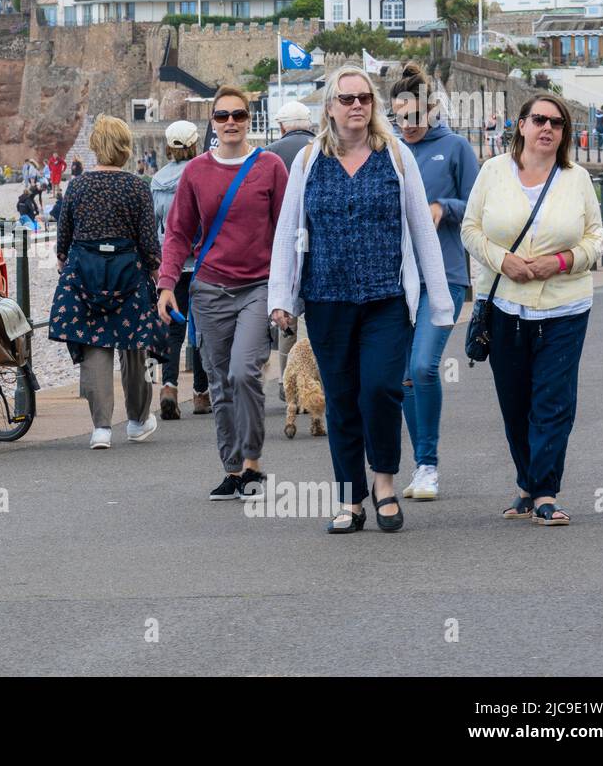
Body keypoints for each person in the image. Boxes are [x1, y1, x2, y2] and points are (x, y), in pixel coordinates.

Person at [269, 65, 453, 534]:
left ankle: (384, 483)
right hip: (326, 298)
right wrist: (280, 297)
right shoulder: (309, 160)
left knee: (380, 390)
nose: (356, 106)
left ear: (373, 106)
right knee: (342, 398)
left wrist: (441, 303)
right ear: (329, 107)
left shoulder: (394, 155)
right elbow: (288, 229)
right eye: (346, 99)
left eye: (364, 99)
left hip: (386, 298)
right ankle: (350, 498)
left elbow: (420, 228)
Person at [461, 93, 603, 526]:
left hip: (565, 304)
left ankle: (545, 490)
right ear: (520, 125)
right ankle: (526, 481)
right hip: (505, 305)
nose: (547, 128)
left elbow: (596, 238)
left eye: (556, 123)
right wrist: (500, 259)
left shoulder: (576, 178)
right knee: (515, 401)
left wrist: (559, 261)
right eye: (538, 119)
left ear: (563, 134)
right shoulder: (492, 172)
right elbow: (470, 229)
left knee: (553, 401)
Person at [159, 91, 288, 500]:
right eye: (222, 115)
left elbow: (285, 230)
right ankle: (231, 469)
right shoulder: (197, 172)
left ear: (249, 119)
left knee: (244, 371)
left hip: (257, 287)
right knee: (218, 382)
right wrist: (165, 285)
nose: (231, 121)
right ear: (211, 122)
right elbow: (178, 232)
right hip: (210, 288)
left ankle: (253, 462)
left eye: (238, 114)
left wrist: (288, 293)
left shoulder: (270, 166)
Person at [389, 63, 479, 501]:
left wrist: (445, 207)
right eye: (399, 117)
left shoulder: (456, 147)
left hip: (445, 275)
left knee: (424, 365)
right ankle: (420, 463)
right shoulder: (386, 150)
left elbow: (480, 207)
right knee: (404, 376)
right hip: (397, 278)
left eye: (414, 116)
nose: (407, 125)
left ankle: (429, 465)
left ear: (433, 109)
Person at [49, 115, 163, 448]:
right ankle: (137, 420)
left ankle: (101, 428)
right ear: (125, 148)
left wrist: (62, 260)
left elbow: (64, 236)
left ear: (96, 147)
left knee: (94, 345)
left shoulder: (79, 185)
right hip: (129, 273)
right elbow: (148, 240)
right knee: (135, 348)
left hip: (86, 274)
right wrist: (154, 269)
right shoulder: (136, 186)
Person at [149, 120, 211, 420]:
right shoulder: (201, 173)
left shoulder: (157, 180)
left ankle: (170, 387)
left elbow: (154, 227)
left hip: (170, 265)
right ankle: (200, 394)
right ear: (194, 144)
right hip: (200, 262)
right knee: (199, 329)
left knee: (173, 330)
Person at [265, 100, 317, 396]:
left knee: (286, 314)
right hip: (316, 240)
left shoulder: (269, 155)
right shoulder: (323, 148)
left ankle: (288, 382)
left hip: (284, 241)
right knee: (315, 317)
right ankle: (315, 378)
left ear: (282, 126)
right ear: (309, 123)